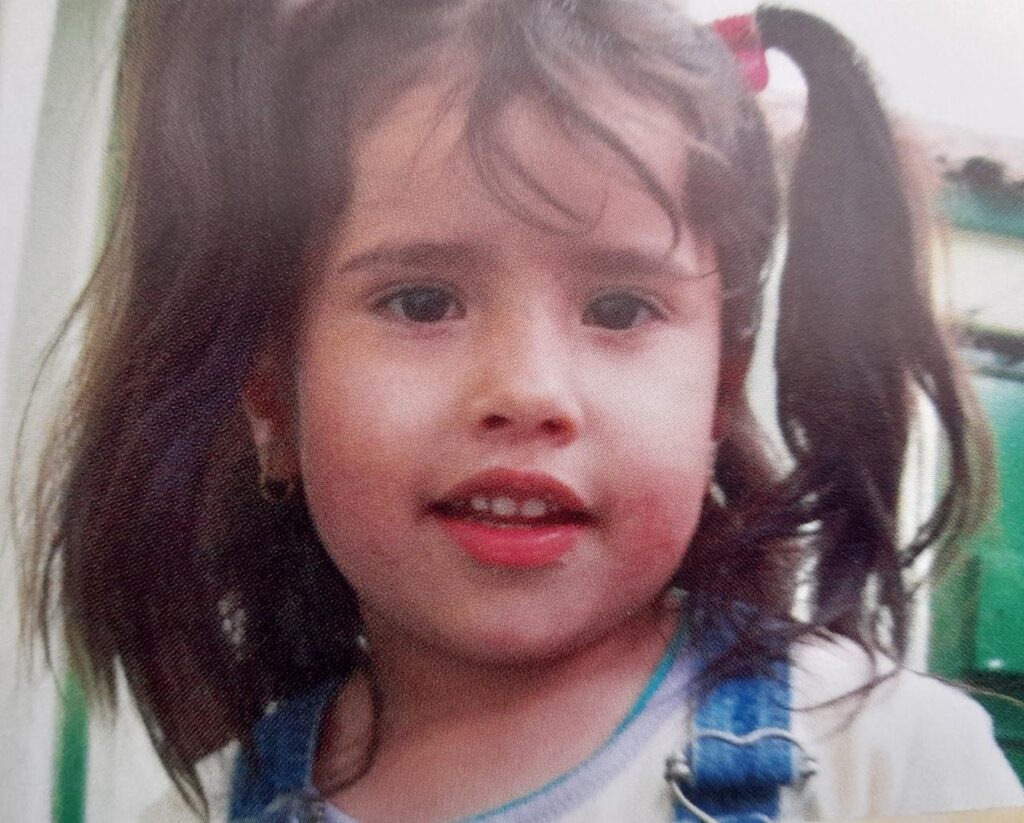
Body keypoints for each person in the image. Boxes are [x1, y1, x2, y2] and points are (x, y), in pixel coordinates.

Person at [17, 1, 1024, 821]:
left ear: (718, 390)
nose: (529, 390)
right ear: (273, 400)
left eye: (620, 308)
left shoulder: (885, 766)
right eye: (421, 301)